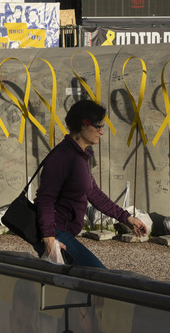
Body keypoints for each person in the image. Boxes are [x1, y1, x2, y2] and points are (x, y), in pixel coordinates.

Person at [33, 100, 147, 268]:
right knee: (98, 278)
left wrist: (127, 218)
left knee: (76, 286)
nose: (101, 132)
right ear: (83, 125)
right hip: (55, 234)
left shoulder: (79, 156)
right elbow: (45, 198)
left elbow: (94, 193)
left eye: (103, 127)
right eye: (98, 126)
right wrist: (49, 239)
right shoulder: (63, 156)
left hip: (63, 233)